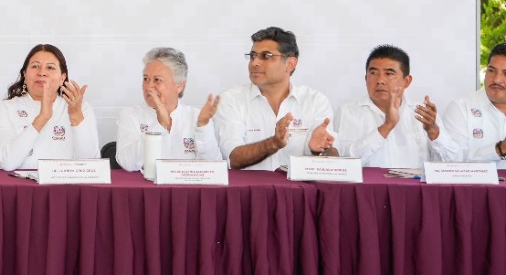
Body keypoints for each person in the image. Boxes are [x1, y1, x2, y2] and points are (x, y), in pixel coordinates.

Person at [214, 26, 335, 170]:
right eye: (252, 56)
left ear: (290, 64)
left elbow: (333, 155)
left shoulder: (315, 101)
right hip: (248, 185)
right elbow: (233, 158)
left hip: (297, 185)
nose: (254, 62)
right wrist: (273, 143)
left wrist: (319, 151)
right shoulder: (231, 99)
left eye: (266, 56)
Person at [336, 45, 457, 167]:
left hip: (414, 181)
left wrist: (433, 132)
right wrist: (387, 126)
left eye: (389, 74)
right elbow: (341, 163)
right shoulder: (348, 112)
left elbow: (452, 165)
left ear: (406, 81)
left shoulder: (423, 115)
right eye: (373, 73)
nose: (380, 80)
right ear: (366, 78)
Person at [0, 43, 99, 171]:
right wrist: (42, 118)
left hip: (66, 182)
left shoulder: (81, 108)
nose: (42, 73)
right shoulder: (4, 108)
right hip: (17, 183)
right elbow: (7, 163)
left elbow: (91, 165)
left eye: (50, 68)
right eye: (35, 66)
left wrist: (76, 116)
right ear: (25, 74)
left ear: (62, 78)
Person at [114, 46, 221, 171]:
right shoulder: (130, 115)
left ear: (179, 86)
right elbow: (126, 163)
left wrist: (203, 128)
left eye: (157, 80)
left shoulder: (196, 117)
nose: (148, 87)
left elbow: (214, 166)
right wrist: (159, 125)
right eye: (146, 79)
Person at [440, 41, 506, 166]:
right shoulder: (461, 108)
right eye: (492, 71)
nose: (497, 79)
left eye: (505, 73)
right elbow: (450, 162)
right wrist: (499, 149)